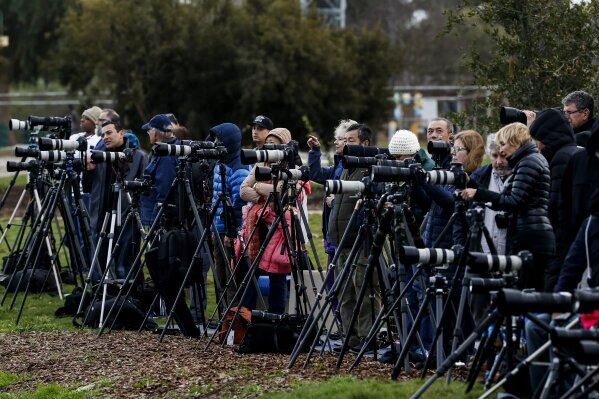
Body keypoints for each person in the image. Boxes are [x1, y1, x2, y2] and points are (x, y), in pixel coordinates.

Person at [461, 122, 554, 291]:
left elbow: (512, 201)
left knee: (526, 296)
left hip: (530, 236)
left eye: (503, 144)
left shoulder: (528, 162)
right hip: (531, 232)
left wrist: (478, 194)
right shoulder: (529, 160)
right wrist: (473, 185)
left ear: (515, 141)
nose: (502, 151)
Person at [328, 123, 381, 351]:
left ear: (364, 144)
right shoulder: (345, 167)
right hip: (341, 242)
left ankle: (367, 338)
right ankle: (351, 338)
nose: (346, 145)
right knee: (345, 293)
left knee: (364, 292)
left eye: (351, 141)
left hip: (361, 242)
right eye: (345, 140)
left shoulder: (369, 169)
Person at [239, 128, 296, 314]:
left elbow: (279, 191)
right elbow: (242, 190)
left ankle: (275, 317)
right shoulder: (260, 163)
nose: (271, 147)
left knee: (276, 273)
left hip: (277, 227)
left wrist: (256, 186)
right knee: (251, 273)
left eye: (275, 143)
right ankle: (246, 316)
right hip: (257, 226)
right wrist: (264, 190)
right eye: (268, 143)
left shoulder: (289, 168)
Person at [87, 118, 147, 279]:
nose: (105, 137)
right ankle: (101, 296)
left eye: (109, 133)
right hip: (102, 218)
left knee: (124, 265)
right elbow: (88, 188)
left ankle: (130, 297)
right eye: (102, 134)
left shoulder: (138, 157)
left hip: (127, 218)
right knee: (100, 264)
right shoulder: (100, 158)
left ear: (121, 133)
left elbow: (146, 188)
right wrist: (89, 170)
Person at [528, 108, 582, 290]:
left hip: (560, 242)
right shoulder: (573, 152)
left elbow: (556, 206)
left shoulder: (560, 158)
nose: (537, 145)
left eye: (537, 139)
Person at [210, 123, 250, 305]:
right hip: (217, 229)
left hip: (229, 233)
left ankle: (233, 321)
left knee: (231, 279)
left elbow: (238, 204)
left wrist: (230, 232)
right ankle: (222, 320)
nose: (215, 143)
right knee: (220, 279)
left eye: (219, 140)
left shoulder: (239, 168)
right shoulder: (220, 165)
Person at [307, 119, 356, 267]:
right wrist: (315, 151)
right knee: (333, 278)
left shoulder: (352, 167)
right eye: (336, 138)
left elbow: (352, 199)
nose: (336, 142)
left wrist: (335, 202)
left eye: (340, 139)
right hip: (333, 231)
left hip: (343, 232)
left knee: (337, 279)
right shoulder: (338, 165)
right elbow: (315, 174)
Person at [139, 114, 178, 227]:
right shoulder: (169, 150)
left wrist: (155, 221)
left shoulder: (165, 156)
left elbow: (164, 192)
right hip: (161, 216)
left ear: (155, 133)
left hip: (161, 219)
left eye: (149, 131)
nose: (148, 134)